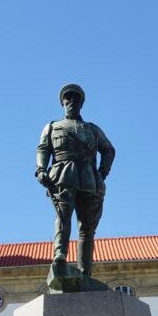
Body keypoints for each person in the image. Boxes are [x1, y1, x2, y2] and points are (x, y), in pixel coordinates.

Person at [35, 83, 115, 279]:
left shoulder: (92, 129)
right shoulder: (52, 127)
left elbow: (108, 150)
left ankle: (85, 271)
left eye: (75, 98)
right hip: (63, 175)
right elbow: (43, 149)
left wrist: (102, 172)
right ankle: (60, 256)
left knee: (87, 228)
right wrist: (41, 169)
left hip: (89, 179)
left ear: (81, 103)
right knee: (63, 216)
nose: (71, 101)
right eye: (68, 98)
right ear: (63, 103)